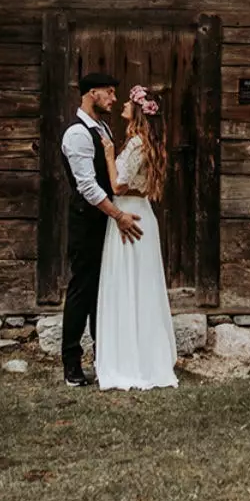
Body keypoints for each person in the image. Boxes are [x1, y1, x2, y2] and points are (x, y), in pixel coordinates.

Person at [95, 84, 179, 389]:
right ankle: (146, 356)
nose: (122, 108)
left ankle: (129, 361)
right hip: (143, 213)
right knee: (141, 287)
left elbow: (117, 186)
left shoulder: (135, 144)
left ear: (139, 112)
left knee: (126, 284)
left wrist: (107, 154)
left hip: (128, 216)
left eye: (128, 104)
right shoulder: (149, 144)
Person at [60, 71, 141, 388]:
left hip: (104, 222)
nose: (113, 98)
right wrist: (119, 215)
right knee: (81, 291)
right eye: (108, 92)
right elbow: (89, 188)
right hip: (87, 223)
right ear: (92, 93)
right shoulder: (77, 134)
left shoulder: (103, 128)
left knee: (101, 291)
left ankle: (103, 357)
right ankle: (71, 363)